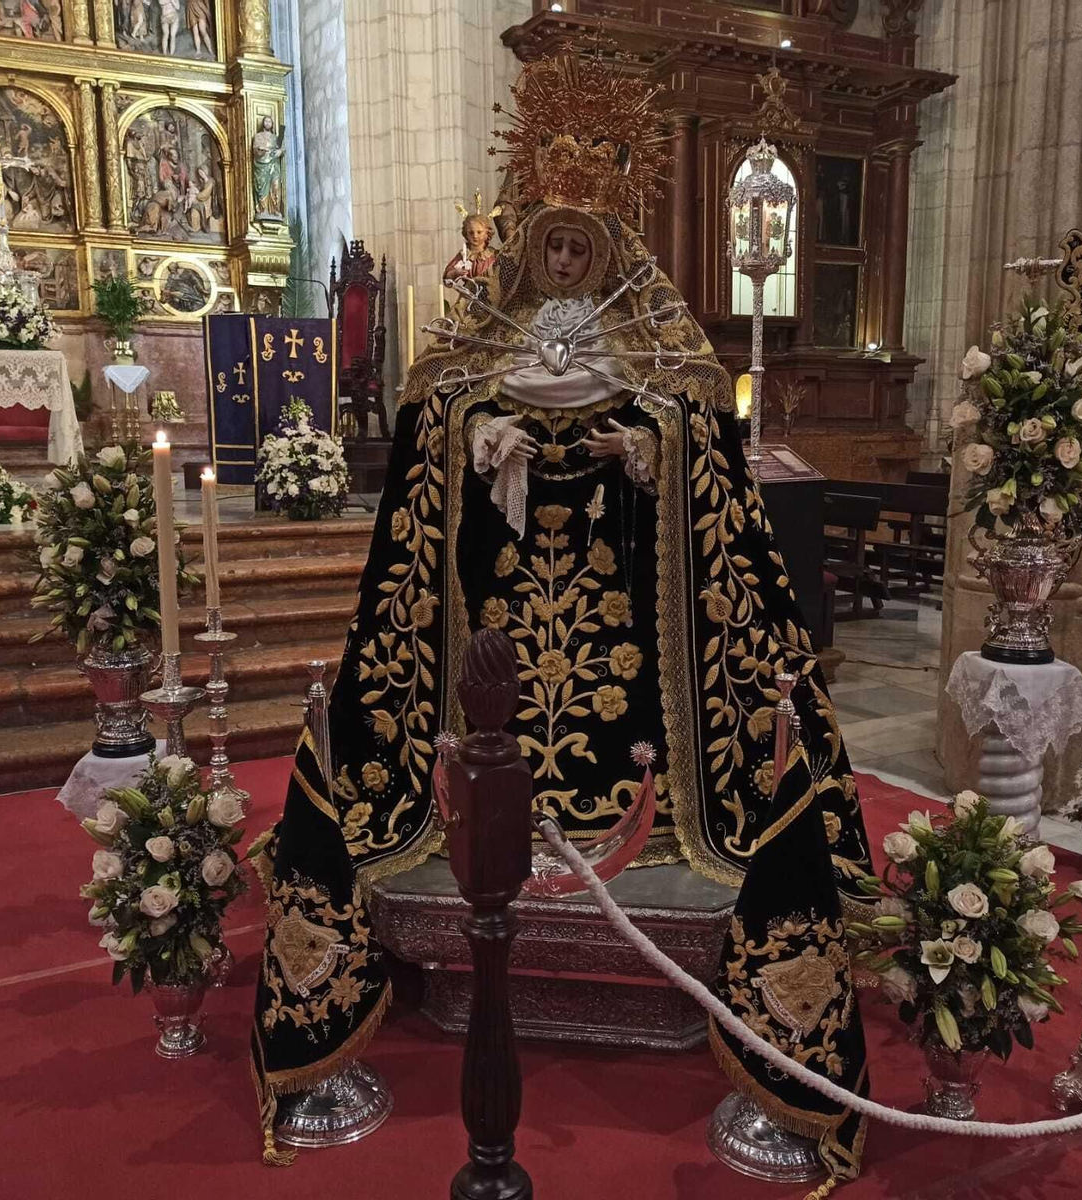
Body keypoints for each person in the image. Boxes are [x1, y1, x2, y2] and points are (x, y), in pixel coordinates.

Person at [251, 50, 872, 1183]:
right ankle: (478, 823)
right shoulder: (480, 343)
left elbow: (698, 427)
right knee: (494, 715)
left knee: (616, 712)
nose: (571, 261)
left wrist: (642, 444)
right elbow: (431, 419)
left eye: (585, 246)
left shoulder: (651, 339)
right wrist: (481, 434)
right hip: (497, 603)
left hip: (626, 601)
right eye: (556, 247)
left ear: (608, 248)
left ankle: (626, 830)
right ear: (531, 251)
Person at [250, 115, 283, 221]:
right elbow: (255, 150)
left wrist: (280, 151)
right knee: (262, 186)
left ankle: (275, 209)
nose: (268, 123)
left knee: (276, 186)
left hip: (274, 164)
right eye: (266, 121)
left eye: (270, 121)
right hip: (262, 165)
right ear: (263, 123)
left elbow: (282, 148)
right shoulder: (258, 136)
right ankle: (263, 209)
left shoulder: (275, 138)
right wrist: (260, 150)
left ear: (272, 124)